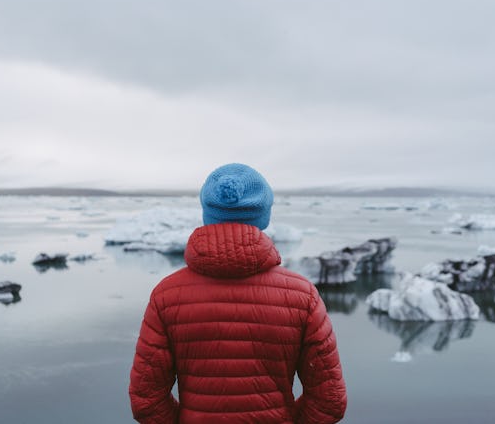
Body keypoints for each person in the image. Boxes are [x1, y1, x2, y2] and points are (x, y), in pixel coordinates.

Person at [129, 163, 347, 423]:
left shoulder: (166, 295)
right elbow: (329, 401)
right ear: (263, 215)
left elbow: (146, 401)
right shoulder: (303, 295)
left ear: (208, 214)